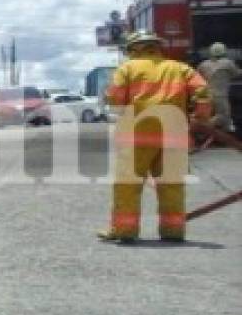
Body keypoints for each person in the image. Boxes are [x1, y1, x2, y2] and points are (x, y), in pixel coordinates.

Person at [99, 31, 211, 243]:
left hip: (136, 137)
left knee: (128, 185)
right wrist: (201, 117)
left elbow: (115, 99)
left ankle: (125, 230)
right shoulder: (180, 68)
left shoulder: (127, 69)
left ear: (133, 49)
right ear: (157, 47)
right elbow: (202, 91)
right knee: (171, 185)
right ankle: (173, 231)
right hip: (174, 137)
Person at [197, 42, 239, 134]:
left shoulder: (203, 64)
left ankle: (219, 135)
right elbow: (236, 74)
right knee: (224, 116)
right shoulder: (228, 63)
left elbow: (197, 76)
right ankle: (202, 127)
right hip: (220, 96)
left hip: (206, 95)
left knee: (213, 116)